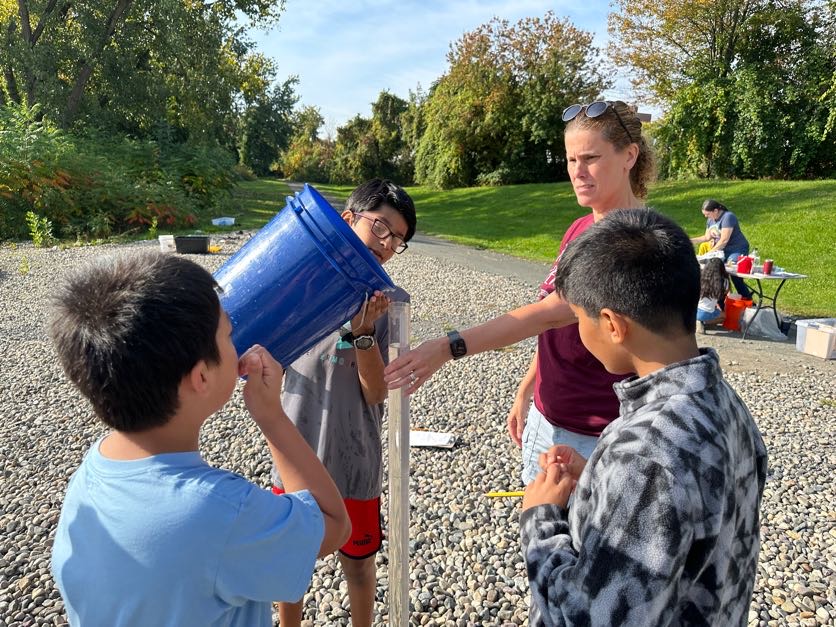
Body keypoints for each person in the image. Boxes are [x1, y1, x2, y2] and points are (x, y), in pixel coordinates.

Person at [49, 252, 350, 627]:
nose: (236, 342)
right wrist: (272, 417)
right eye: (227, 335)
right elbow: (333, 523)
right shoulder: (221, 512)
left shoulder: (90, 475)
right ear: (201, 378)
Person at [385, 100, 654, 484]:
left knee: (574, 541)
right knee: (540, 534)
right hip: (548, 415)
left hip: (594, 433)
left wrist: (447, 347)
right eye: (570, 159)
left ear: (629, 155)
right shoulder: (580, 227)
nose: (578, 172)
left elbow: (549, 312)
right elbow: (556, 326)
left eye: (590, 158)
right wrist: (528, 387)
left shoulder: (632, 241)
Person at [521, 208, 768, 625]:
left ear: (613, 325)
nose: (579, 331)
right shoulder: (727, 404)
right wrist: (597, 480)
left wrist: (541, 519)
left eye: (580, 319)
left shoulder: (646, 453)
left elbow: (592, 616)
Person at [273, 178, 417, 627]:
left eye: (399, 239)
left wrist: (364, 335)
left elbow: (376, 393)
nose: (388, 244)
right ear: (348, 219)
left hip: (355, 458)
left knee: (358, 564)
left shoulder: (385, 305)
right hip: (296, 454)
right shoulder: (302, 285)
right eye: (381, 228)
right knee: (291, 563)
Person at [690, 198, 752, 298]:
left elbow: (724, 240)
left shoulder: (728, 217)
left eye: (707, 214)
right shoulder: (710, 220)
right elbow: (706, 237)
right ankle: (721, 304)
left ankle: (748, 300)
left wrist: (709, 254)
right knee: (715, 274)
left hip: (736, 249)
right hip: (722, 251)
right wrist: (688, 240)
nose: (706, 217)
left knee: (734, 275)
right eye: (705, 215)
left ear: (715, 211)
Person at [696, 257, 729, 333]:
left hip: (694, 311)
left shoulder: (700, 278)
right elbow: (725, 293)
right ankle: (703, 322)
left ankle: (697, 321)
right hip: (706, 312)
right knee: (723, 317)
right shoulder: (724, 282)